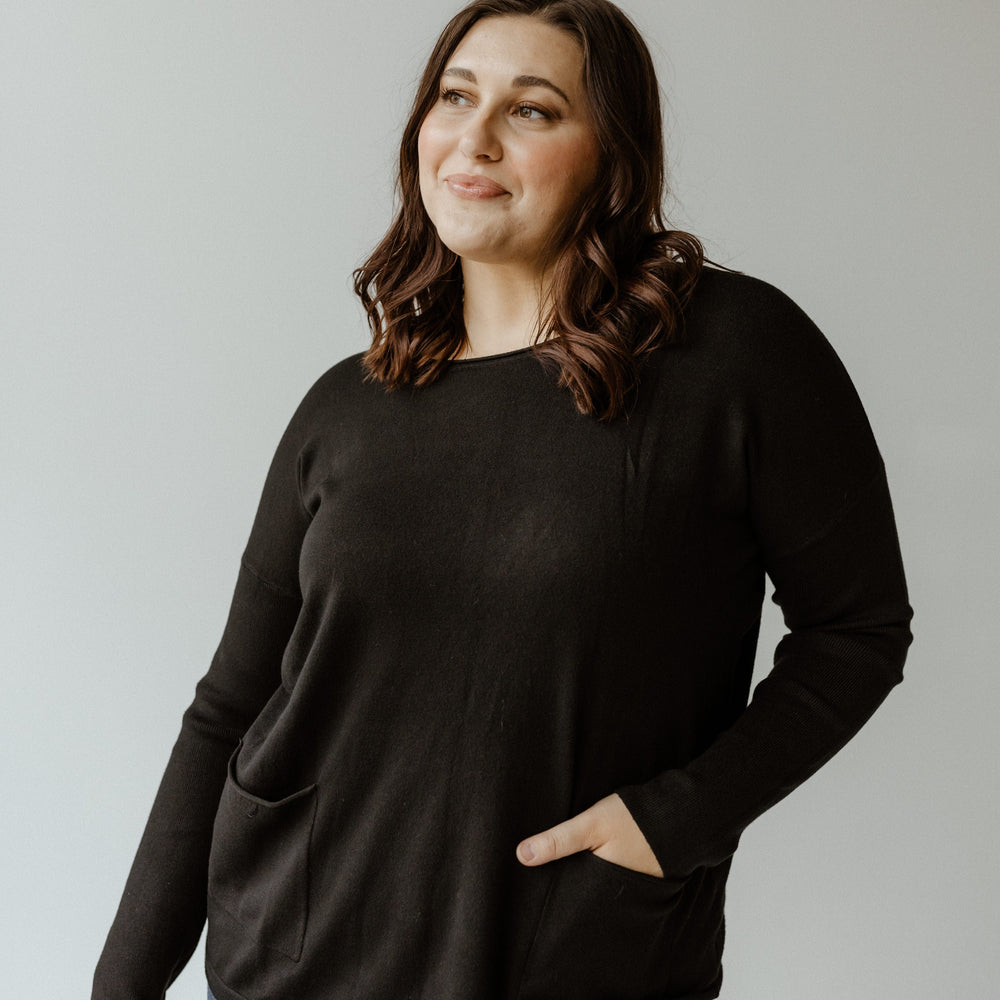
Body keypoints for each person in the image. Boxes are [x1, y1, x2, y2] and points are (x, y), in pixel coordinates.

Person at [93, 1, 913, 998]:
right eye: (453, 96)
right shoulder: (346, 406)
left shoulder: (731, 355)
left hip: (570, 957)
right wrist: (120, 986)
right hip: (294, 956)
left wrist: (680, 817)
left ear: (613, 157)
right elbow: (230, 708)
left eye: (531, 110)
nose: (472, 138)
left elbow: (857, 629)